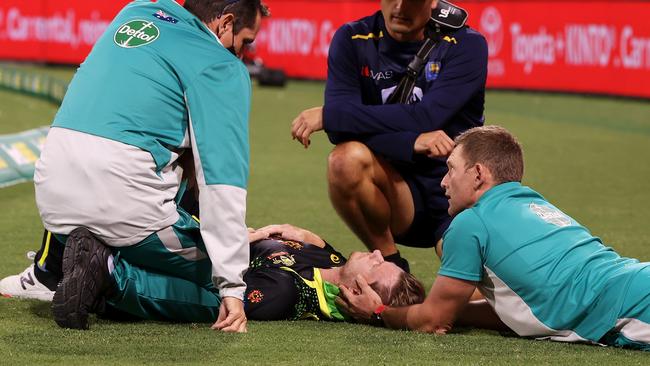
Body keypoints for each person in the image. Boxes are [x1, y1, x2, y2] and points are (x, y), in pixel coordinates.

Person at [27, 0, 269, 332]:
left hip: (51, 192)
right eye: (246, 42)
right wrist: (231, 284)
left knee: (172, 156)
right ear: (225, 23)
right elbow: (222, 181)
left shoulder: (134, 11)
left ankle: (50, 269)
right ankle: (109, 279)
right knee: (245, 282)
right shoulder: (221, 66)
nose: (244, 54)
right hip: (123, 203)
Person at [337, 125, 650, 351]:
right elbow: (517, 307)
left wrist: (378, 313)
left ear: (477, 174)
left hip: (634, 307)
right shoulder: (535, 203)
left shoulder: (470, 223)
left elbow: (433, 322)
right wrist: (445, 307)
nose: (443, 182)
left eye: (450, 170)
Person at [290, 0, 488, 271]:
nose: (399, 7)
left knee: (472, 302)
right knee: (344, 160)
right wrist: (410, 142)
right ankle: (391, 266)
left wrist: (332, 115)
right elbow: (340, 132)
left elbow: (427, 116)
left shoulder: (467, 44)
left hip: (457, 193)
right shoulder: (353, 38)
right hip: (393, 191)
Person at [1, 224, 425, 324]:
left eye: (377, 263)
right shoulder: (332, 263)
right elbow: (308, 239)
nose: (375, 251)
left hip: (210, 257)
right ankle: (71, 267)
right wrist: (289, 232)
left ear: (356, 290)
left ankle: (105, 280)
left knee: (212, 300)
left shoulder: (287, 294)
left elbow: (217, 286)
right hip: (218, 234)